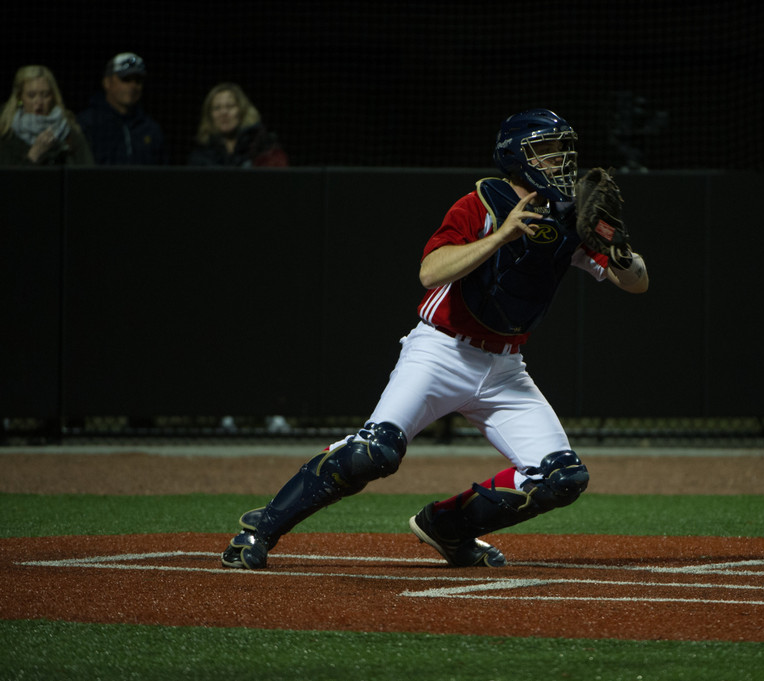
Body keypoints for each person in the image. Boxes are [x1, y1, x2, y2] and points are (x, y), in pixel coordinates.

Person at [221, 109, 649, 570]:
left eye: (563, 150)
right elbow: (430, 271)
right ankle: (260, 529)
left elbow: (637, 282)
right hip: (441, 351)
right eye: (545, 151)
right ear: (515, 156)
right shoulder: (481, 204)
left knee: (562, 478)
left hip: (505, 369)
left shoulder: (567, 217)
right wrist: (502, 236)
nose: (559, 161)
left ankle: (446, 528)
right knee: (374, 453)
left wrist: (620, 253)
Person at [77, 52, 167, 165]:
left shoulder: (150, 129)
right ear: (107, 82)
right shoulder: (87, 124)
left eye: (138, 81)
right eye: (126, 79)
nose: (133, 86)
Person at [0, 65, 93, 166]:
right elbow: (8, 179)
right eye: (31, 95)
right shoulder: (6, 132)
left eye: (45, 95)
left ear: (53, 96)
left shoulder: (68, 132)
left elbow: (87, 174)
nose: (39, 102)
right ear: (20, 98)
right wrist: (33, 155)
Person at [188, 82, 288, 167]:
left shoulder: (264, 146)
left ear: (242, 111)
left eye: (230, 106)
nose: (224, 113)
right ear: (210, 115)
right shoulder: (201, 154)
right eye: (217, 108)